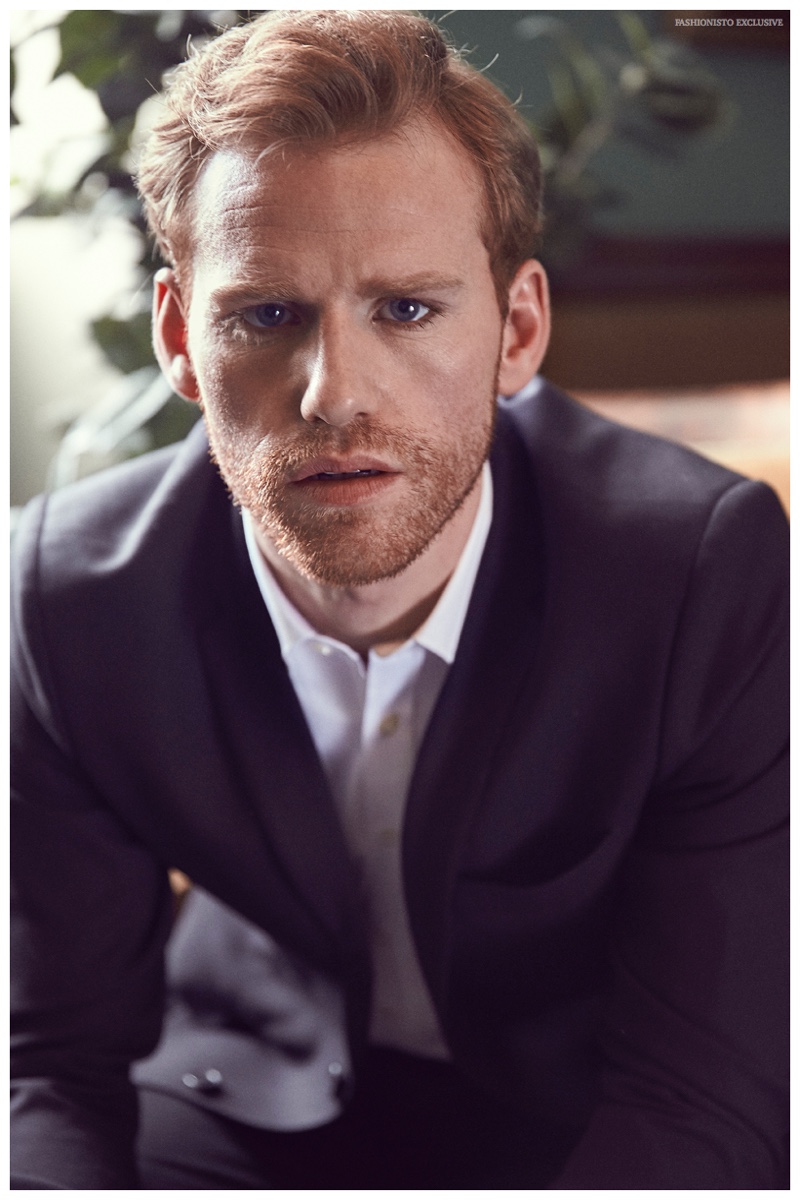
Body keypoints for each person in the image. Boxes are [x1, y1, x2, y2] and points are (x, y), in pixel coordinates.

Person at [10, 10, 788, 1190]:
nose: (333, 394)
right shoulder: (66, 595)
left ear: (516, 329)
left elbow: (703, 1092)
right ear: (178, 338)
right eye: (265, 315)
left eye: (407, 309)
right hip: (235, 1097)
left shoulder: (697, 576)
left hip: (581, 1113)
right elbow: (53, 1066)